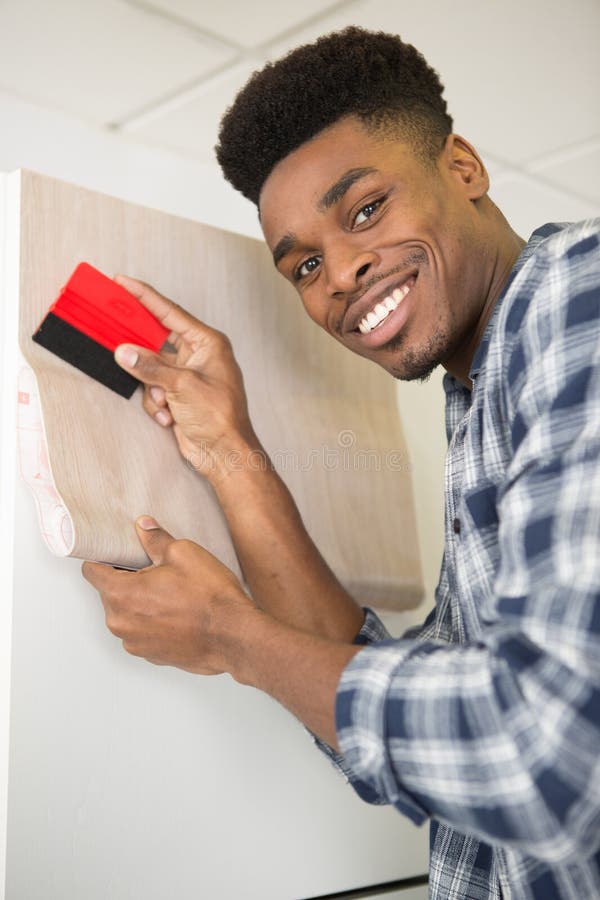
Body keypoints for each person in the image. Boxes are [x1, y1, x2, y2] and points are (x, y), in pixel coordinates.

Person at [82, 27, 600, 899]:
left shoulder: (578, 297)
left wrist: (229, 634)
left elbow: (547, 760)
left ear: (463, 167)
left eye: (365, 210)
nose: (343, 274)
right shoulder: (481, 395)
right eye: (306, 265)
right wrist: (229, 452)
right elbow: (428, 728)